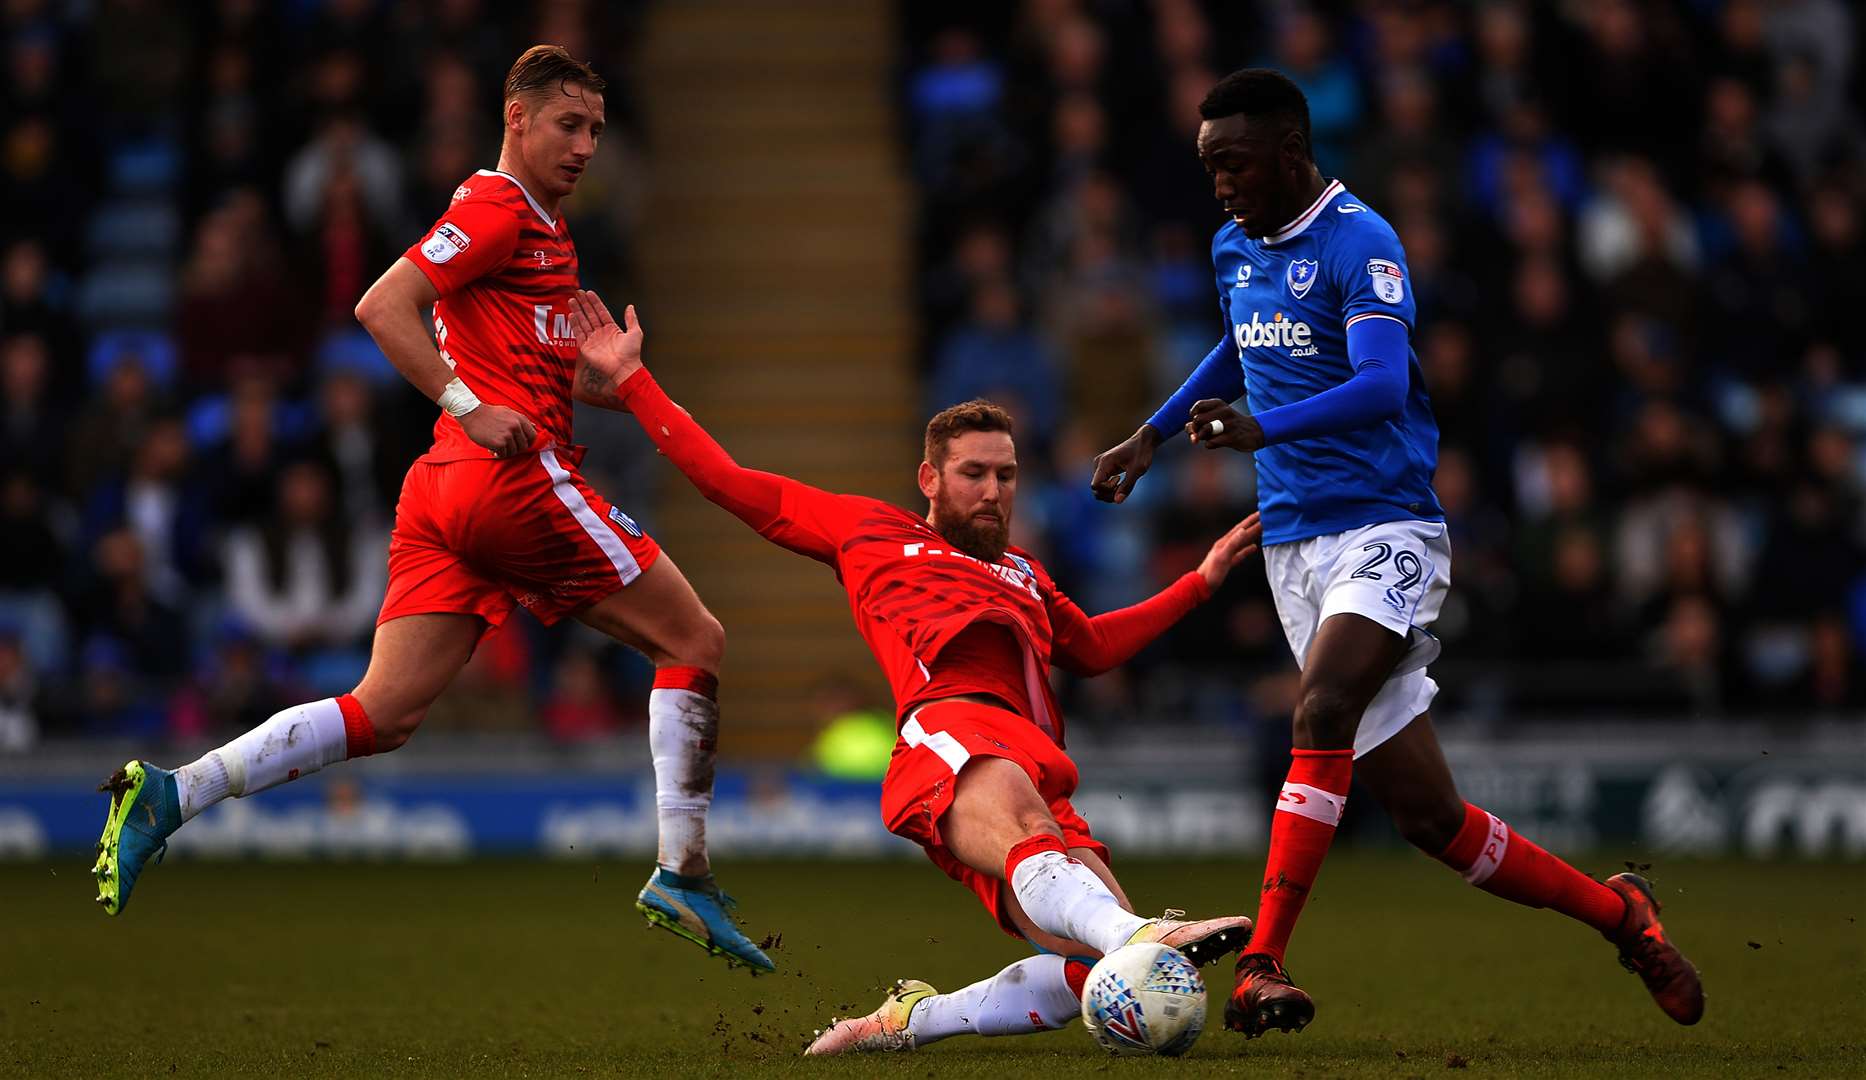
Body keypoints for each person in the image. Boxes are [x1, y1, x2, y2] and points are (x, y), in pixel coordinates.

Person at [90, 45, 772, 973]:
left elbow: (525, 359)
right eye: (568, 126)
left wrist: (603, 380)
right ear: (516, 117)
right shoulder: (495, 206)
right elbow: (383, 307)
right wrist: (467, 403)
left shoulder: (538, 227)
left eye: (597, 132)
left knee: (384, 712)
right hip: (510, 480)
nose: (584, 148)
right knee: (695, 641)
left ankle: (172, 795)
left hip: (444, 494)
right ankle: (681, 871)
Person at [1089, 68, 1704, 1036]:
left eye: (1235, 163)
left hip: (1385, 524)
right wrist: (1151, 434)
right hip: (1296, 543)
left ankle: (1263, 963)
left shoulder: (1361, 241)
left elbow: (1381, 384)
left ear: (1291, 151)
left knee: (1322, 703)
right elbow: (1238, 340)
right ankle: (1621, 914)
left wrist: (1261, 428)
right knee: (1431, 821)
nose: (1221, 184)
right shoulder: (1234, 243)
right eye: (1210, 166)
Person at [563, 291, 1259, 1053]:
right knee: (1111, 920)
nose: (993, 492)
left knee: (1089, 973)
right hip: (951, 729)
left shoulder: (1026, 572)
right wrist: (633, 382)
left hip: (1037, 758)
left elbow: (1089, 647)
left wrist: (1199, 582)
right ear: (929, 481)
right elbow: (725, 479)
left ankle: (904, 1022)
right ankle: (1146, 928)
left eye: (1006, 475)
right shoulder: (869, 531)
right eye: (973, 475)